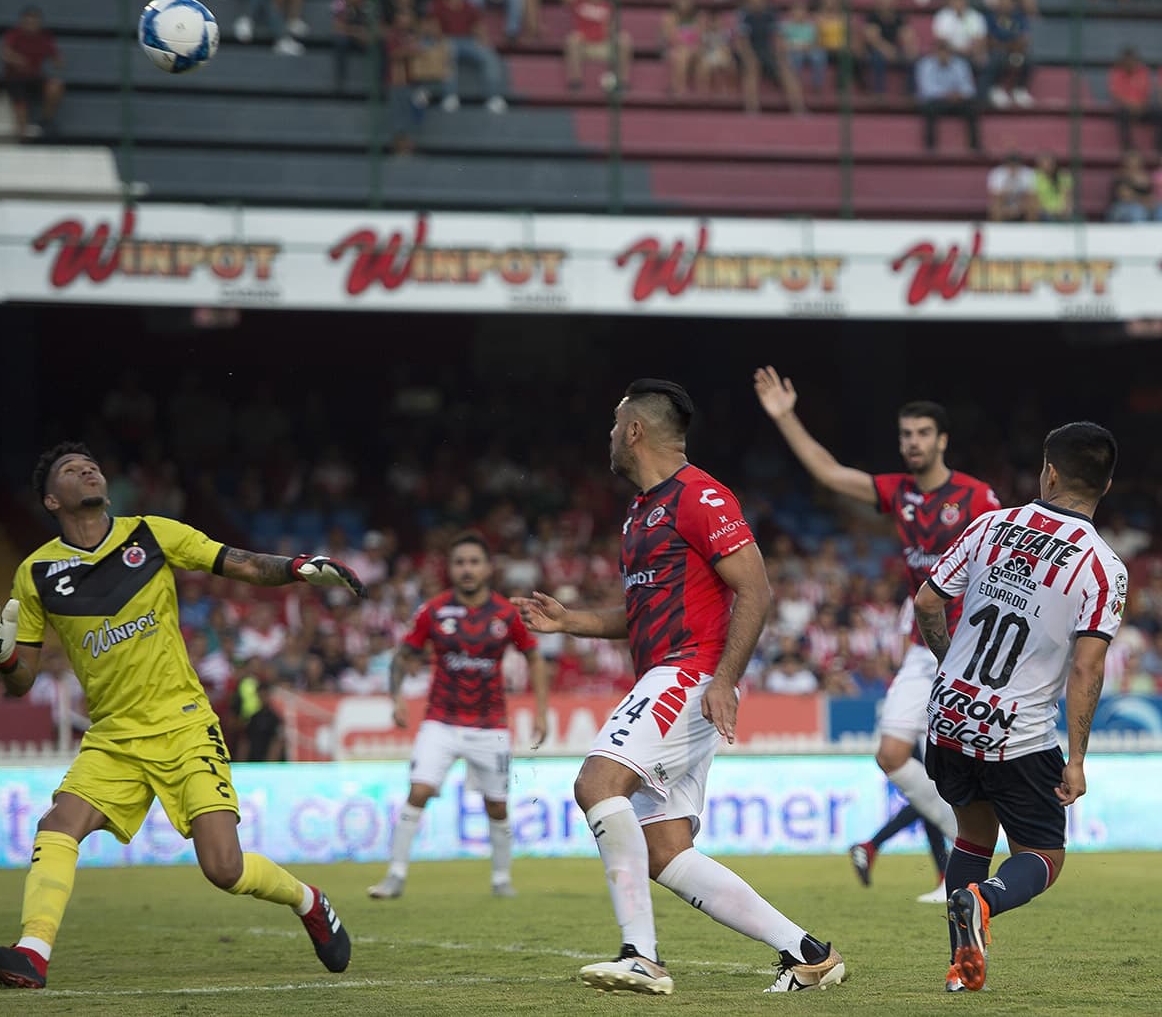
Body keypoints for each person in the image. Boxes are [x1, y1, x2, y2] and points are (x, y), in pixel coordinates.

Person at [0, 442, 362, 989]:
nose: (88, 469)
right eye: (71, 470)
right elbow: (20, 683)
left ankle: (309, 900)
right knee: (58, 825)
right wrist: (6, 659)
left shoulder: (151, 532)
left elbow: (240, 562)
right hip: (114, 737)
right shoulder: (35, 574)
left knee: (225, 869)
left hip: (183, 723)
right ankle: (32, 953)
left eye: (93, 465)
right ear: (52, 500)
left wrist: (296, 568)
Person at [513, 379, 846, 996]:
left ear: (635, 430)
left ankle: (641, 955)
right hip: (671, 675)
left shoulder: (701, 496)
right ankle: (808, 952)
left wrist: (726, 679)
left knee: (596, 782)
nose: (610, 438)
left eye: (615, 426)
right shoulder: (641, 512)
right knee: (664, 850)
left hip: (690, 675)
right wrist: (571, 622)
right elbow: (639, 614)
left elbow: (757, 588)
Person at [754, 367, 1001, 901]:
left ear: (942, 440)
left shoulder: (978, 498)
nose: (912, 443)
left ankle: (966, 859)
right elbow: (829, 473)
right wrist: (786, 417)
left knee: (960, 761)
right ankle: (967, 844)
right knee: (890, 753)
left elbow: (1008, 563)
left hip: (967, 649)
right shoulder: (898, 493)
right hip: (921, 647)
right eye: (905, 435)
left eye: (921, 434)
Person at [913, 422, 1126, 993]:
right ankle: (983, 901)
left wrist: (946, 667)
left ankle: (960, 968)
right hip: (1017, 734)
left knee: (971, 836)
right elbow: (1087, 667)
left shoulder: (989, 526)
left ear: (1049, 472)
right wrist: (1076, 759)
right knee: (1044, 855)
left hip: (947, 717)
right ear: (1105, 485)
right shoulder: (1102, 567)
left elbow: (927, 602)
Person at [368, 530, 548, 900]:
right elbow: (404, 655)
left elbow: (532, 654)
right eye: (460, 562)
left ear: (487, 568)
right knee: (419, 791)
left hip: (490, 725)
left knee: (496, 805)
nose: (467, 569)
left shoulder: (504, 613)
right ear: (450, 569)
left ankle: (501, 880)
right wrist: (397, 698)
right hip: (441, 721)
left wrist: (541, 711)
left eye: (474, 562)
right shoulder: (433, 611)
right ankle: (395, 876)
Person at [0, 5, 64, 137]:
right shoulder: (14, 35)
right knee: (21, 113)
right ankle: (22, 137)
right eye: (28, 21)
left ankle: (46, 119)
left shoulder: (45, 38)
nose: (31, 24)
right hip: (15, 78)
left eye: (34, 21)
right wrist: (16, 59)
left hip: (35, 78)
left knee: (55, 86)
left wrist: (57, 61)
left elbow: (57, 59)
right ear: (22, 22)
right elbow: (5, 53)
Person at [915, 38, 981, 153]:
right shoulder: (925, 65)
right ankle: (930, 148)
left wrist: (958, 95)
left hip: (957, 101)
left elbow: (969, 89)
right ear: (935, 52)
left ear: (950, 52)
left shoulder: (961, 64)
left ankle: (974, 147)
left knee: (973, 107)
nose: (943, 55)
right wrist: (947, 94)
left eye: (946, 51)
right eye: (940, 51)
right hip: (937, 102)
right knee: (928, 108)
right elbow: (926, 90)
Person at [987, 149, 1036, 221]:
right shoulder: (997, 173)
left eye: (1016, 165)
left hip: (1022, 204)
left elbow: (1031, 195)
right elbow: (995, 196)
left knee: (1032, 205)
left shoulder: (1028, 174)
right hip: (1004, 204)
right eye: (1011, 165)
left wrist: (1018, 207)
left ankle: (1031, 229)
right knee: (995, 206)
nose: (1013, 167)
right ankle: (997, 229)